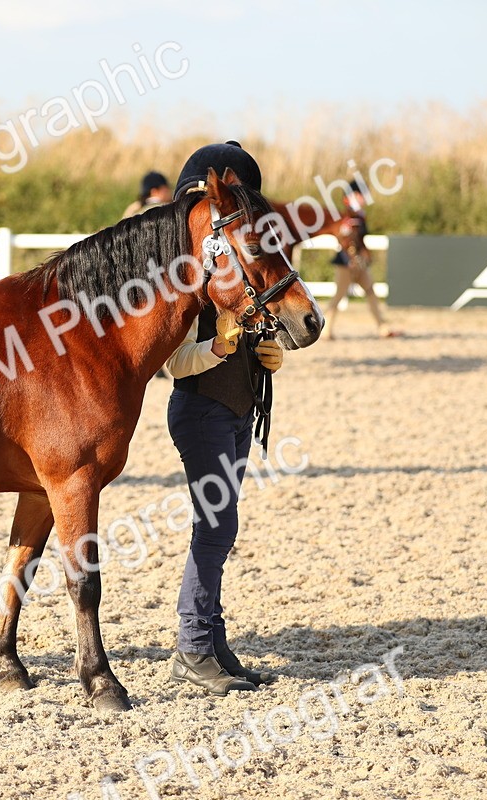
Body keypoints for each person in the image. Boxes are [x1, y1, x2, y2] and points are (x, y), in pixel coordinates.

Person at [163, 141, 284, 694]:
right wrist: (217, 348)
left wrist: (267, 358)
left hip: (237, 410)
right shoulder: (191, 288)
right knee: (214, 527)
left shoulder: (242, 281)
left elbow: (257, 342)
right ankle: (192, 644)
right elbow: (174, 364)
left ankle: (211, 640)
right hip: (201, 410)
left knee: (221, 527)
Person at [324, 179, 395, 339]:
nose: (364, 198)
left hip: (358, 262)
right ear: (353, 195)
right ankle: (326, 328)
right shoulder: (348, 216)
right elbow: (346, 239)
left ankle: (383, 327)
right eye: (361, 194)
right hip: (346, 262)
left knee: (370, 291)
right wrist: (353, 259)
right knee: (339, 295)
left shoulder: (358, 215)